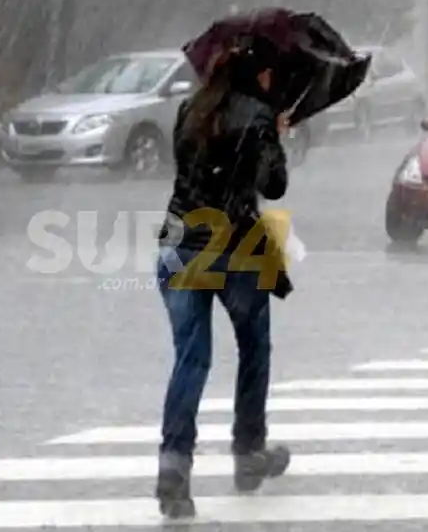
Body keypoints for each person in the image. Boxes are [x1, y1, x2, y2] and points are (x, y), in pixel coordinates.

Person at [154, 35, 292, 518]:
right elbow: (273, 185)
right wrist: (275, 134)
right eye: (270, 73)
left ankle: (173, 469)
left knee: (191, 359)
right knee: (254, 348)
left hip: (179, 240)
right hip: (234, 245)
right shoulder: (257, 116)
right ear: (257, 75)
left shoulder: (189, 110)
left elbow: (193, 174)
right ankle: (248, 452)